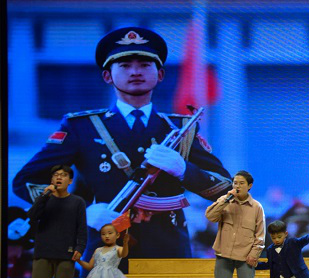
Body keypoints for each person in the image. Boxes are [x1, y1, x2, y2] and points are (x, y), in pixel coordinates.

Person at [13, 27, 232, 262]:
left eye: (145, 65)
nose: (135, 72)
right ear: (107, 76)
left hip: (169, 250)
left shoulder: (181, 129)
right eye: (125, 66)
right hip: (105, 249)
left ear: (160, 75)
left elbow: (227, 189)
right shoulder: (82, 127)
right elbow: (26, 181)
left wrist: (183, 169)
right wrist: (80, 211)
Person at [27, 165, 87, 278]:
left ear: (70, 181)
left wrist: (80, 248)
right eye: (56, 175)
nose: (59, 177)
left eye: (64, 175)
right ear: (52, 180)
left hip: (66, 254)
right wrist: (44, 196)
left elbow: (82, 228)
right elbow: (32, 217)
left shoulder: (77, 202)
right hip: (43, 253)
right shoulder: (44, 199)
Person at [205, 171, 265, 278]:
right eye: (235, 183)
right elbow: (210, 216)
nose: (237, 186)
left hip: (245, 257)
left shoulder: (257, 207)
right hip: (223, 255)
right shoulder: (225, 201)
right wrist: (226, 199)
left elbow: (260, 236)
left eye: (241, 183)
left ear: (249, 186)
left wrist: (254, 255)